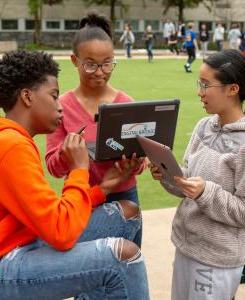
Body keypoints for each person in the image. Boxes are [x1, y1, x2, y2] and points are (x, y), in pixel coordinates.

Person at [0, 49, 149, 299]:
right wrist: (79, 169)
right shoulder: (10, 146)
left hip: (14, 245)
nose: (60, 107)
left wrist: (103, 189)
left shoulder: (11, 140)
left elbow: (45, 215)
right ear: (27, 97)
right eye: (54, 97)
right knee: (123, 257)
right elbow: (61, 233)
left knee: (127, 213)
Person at [149, 49, 245, 300]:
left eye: (206, 85)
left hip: (217, 259)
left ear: (233, 89)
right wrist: (168, 175)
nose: (199, 92)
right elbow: (188, 186)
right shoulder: (204, 126)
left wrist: (206, 192)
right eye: (200, 83)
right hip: (187, 246)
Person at [46, 12, 146, 248]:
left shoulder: (125, 103)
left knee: (126, 263)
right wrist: (68, 152)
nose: (100, 72)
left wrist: (134, 162)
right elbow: (52, 166)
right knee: (84, 271)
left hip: (125, 196)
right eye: (90, 64)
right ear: (74, 60)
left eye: (107, 63)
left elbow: (139, 164)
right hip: (80, 199)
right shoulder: (60, 107)